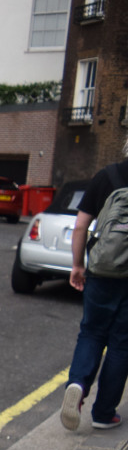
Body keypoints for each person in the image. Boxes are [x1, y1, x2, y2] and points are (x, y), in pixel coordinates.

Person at [61, 135, 128, 431]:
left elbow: (80, 225)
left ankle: (77, 384)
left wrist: (77, 265)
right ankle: (104, 414)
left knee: (91, 332)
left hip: (102, 271)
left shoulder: (107, 176)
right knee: (122, 344)